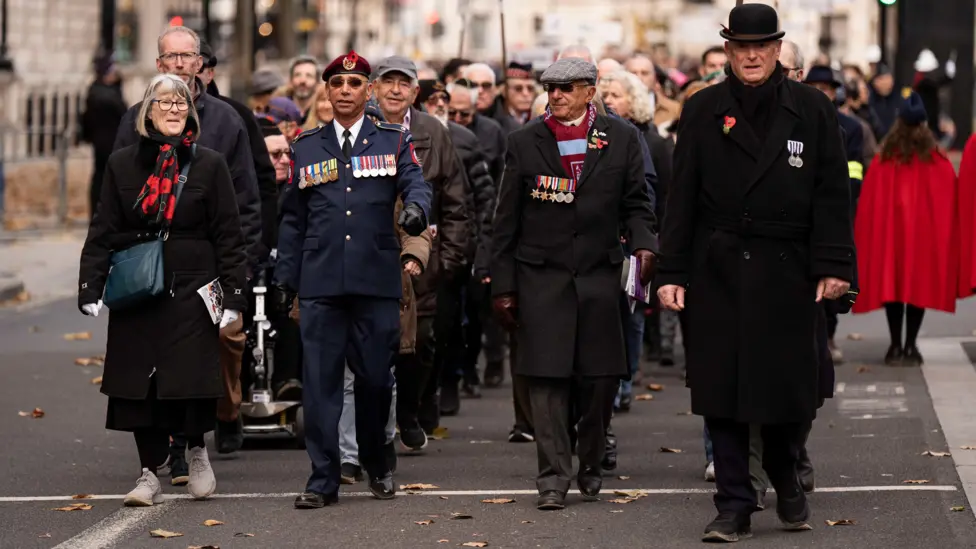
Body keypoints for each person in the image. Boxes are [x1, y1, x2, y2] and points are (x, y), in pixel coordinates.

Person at [656, 3, 854, 541]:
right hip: (717, 266)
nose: (751, 54)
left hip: (788, 273)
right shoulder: (701, 110)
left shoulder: (812, 110)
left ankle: (787, 473)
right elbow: (682, 198)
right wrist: (671, 270)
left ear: (776, 52)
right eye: (741, 46)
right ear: (727, 51)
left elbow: (833, 195)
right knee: (720, 392)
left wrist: (835, 266)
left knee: (788, 391)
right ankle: (734, 504)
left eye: (761, 46)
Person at [491, 57, 657, 511]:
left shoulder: (621, 138)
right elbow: (504, 222)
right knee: (545, 382)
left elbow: (637, 204)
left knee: (600, 381)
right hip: (541, 278)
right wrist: (502, 286)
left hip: (601, 277)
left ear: (591, 90)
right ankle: (552, 477)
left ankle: (588, 458)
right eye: (552, 88)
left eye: (568, 88)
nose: (557, 96)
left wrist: (645, 246)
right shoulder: (524, 143)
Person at [78, 74, 246, 507]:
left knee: (190, 378)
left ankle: (196, 451)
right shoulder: (121, 164)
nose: (173, 109)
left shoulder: (209, 164)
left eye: (181, 102)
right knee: (140, 386)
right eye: (164, 102)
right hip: (139, 287)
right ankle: (148, 473)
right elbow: (103, 231)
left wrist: (233, 299)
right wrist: (90, 286)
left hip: (194, 288)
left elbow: (229, 235)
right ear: (147, 111)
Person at [273, 50, 431, 509]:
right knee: (320, 385)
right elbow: (292, 221)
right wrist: (287, 276)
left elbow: (415, 183)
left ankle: (377, 461)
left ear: (369, 91)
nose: (345, 91)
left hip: (375, 281)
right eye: (337, 84)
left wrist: (418, 208)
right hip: (321, 283)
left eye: (354, 84)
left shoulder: (393, 140)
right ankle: (323, 479)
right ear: (327, 91)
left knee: (375, 382)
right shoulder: (306, 145)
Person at [112, 25, 263, 475]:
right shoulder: (134, 120)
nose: (179, 64)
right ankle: (172, 448)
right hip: (153, 263)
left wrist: (242, 268)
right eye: (170, 57)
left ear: (201, 64)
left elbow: (247, 201)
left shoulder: (227, 122)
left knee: (216, 345)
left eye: (187, 56)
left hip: (208, 264)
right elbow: (116, 194)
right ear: (159, 65)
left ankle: (220, 417)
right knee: (158, 355)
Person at [854, 89, 959, 366]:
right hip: (921, 238)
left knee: (894, 289)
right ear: (924, 124)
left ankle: (895, 345)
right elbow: (948, 195)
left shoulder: (885, 158)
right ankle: (911, 345)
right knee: (917, 288)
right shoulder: (935, 159)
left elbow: (870, 202)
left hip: (892, 238)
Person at [80, 51, 127, 219]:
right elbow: (123, 112)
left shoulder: (100, 91)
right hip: (107, 144)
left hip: (107, 143)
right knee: (104, 179)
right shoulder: (103, 95)